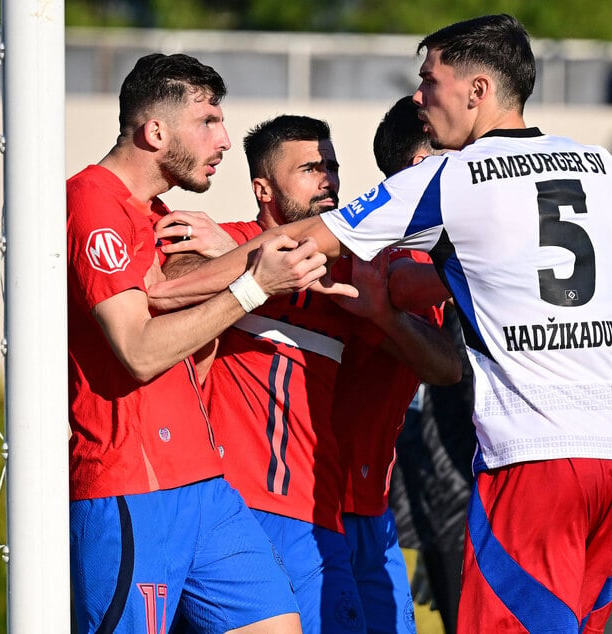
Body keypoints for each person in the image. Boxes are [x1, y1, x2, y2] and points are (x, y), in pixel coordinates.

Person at [151, 14, 612, 633]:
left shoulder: (452, 174)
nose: (418, 96)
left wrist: (178, 281)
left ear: (478, 89)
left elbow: (306, 240)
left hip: (536, 461)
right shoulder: (605, 169)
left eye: (428, 80)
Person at [158, 114, 452, 634]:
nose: (329, 181)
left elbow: (439, 345)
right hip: (236, 509)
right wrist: (239, 257)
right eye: (311, 168)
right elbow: (170, 280)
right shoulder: (227, 243)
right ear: (262, 188)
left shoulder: (348, 267)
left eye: (333, 168)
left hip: (325, 516)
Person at [66, 53, 324, 634]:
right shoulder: (91, 204)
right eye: (209, 121)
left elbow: (164, 292)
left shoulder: (153, 213)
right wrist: (256, 286)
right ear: (155, 131)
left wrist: (271, 249)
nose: (226, 139)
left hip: (203, 482)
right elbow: (138, 349)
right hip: (133, 484)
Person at [332, 97, 462, 634]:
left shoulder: (437, 258)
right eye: (459, 158)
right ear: (421, 169)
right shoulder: (382, 256)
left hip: (385, 496)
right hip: (341, 503)